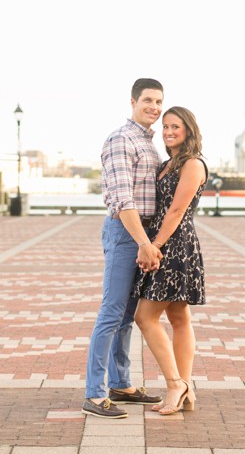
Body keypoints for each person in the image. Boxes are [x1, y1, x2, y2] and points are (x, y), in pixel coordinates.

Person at [82, 78, 166, 419]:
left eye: (159, 102)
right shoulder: (121, 139)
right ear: (133, 101)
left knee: (127, 316)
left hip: (143, 235)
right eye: (148, 100)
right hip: (126, 233)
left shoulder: (148, 143)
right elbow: (122, 199)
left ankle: (120, 383)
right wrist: (144, 243)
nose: (155, 107)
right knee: (112, 312)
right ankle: (94, 393)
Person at [132, 106, 207, 415]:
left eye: (175, 126)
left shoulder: (193, 164)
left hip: (175, 246)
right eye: (165, 127)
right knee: (178, 318)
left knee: (145, 317)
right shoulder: (166, 164)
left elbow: (176, 210)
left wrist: (155, 246)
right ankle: (185, 387)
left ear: (188, 130)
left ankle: (175, 383)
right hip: (165, 242)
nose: (168, 131)